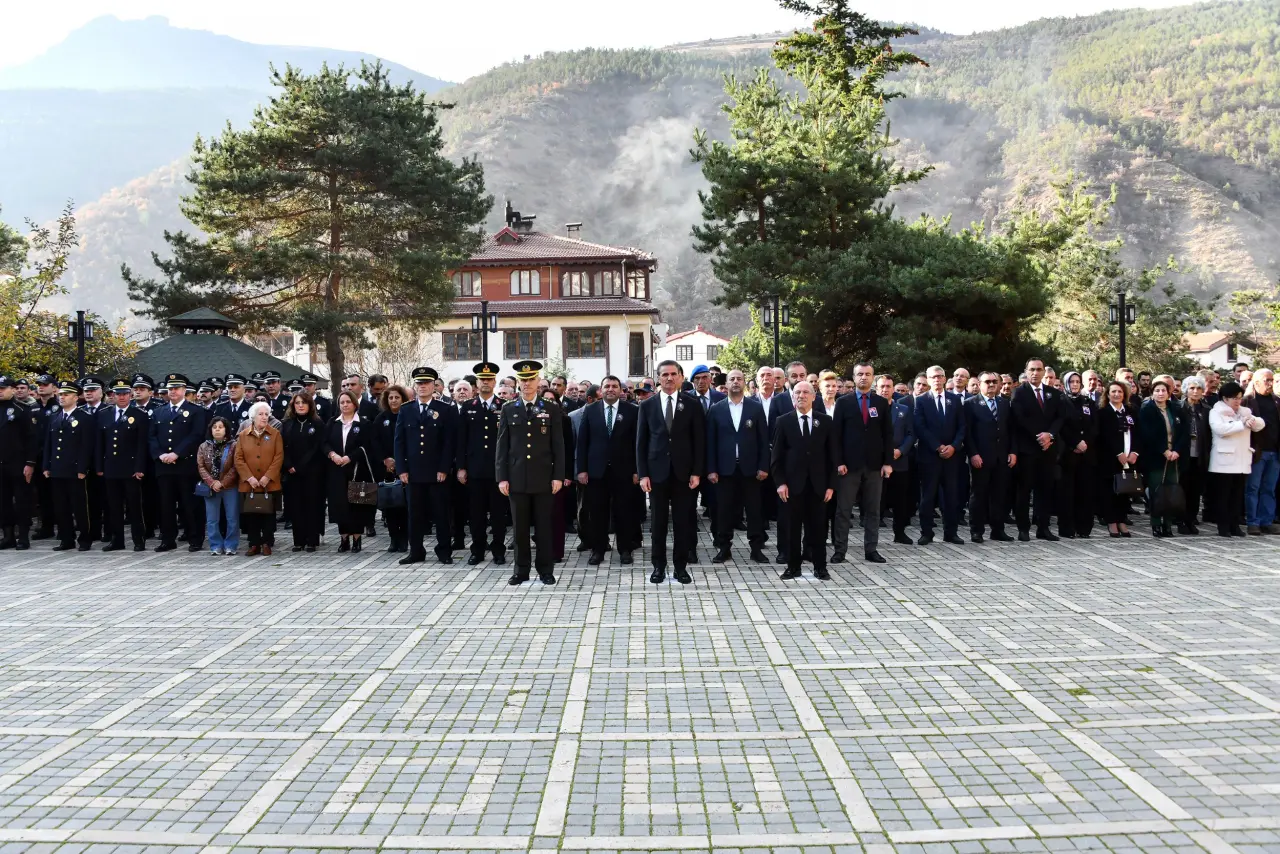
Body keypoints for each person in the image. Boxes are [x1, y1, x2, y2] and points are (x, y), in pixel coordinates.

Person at [637, 360, 706, 584]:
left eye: (673, 374)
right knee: (657, 524)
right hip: (656, 474)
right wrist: (643, 473)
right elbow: (641, 442)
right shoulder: (647, 405)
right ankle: (658, 566)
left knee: (683, 523)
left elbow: (699, 441)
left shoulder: (692, 404)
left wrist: (697, 472)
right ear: (658, 378)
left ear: (680, 377)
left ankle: (680, 567)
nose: (668, 378)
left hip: (683, 474)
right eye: (664, 374)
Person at [497, 360, 566, 585]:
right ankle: (521, 570)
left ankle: (546, 570)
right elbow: (502, 446)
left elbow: (558, 445)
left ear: (538, 381)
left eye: (531, 379)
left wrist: (558, 476)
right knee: (519, 529)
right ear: (518, 382)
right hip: (516, 479)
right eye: (523, 380)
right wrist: (502, 477)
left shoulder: (551, 407)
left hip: (544, 478)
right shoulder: (508, 408)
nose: (527, 384)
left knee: (544, 527)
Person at [771, 381, 838, 580]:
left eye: (806, 392)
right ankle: (793, 567)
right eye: (797, 392)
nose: (801, 395)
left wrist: (831, 485)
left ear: (813, 397)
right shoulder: (783, 421)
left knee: (818, 528)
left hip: (818, 486)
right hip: (792, 486)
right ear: (793, 398)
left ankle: (820, 567)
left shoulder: (825, 421)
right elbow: (776, 457)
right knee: (791, 529)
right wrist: (780, 482)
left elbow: (833, 456)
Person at [831, 362, 893, 564]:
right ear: (854, 377)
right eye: (860, 374)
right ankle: (840, 550)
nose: (863, 377)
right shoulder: (843, 402)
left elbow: (888, 435)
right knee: (843, 510)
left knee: (873, 510)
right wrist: (838, 461)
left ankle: (871, 550)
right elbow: (836, 436)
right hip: (849, 465)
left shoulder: (881, 403)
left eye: (867, 374)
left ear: (873, 377)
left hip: (875, 465)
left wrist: (888, 462)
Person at [705, 369, 769, 564]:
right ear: (727, 383)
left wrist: (763, 466)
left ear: (744, 383)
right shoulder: (716, 409)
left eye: (739, 379)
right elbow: (710, 442)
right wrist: (711, 468)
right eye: (732, 379)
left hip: (750, 470)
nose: (735, 382)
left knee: (754, 511)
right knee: (724, 511)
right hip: (725, 471)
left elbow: (763, 440)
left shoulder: (755, 408)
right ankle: (724, 548)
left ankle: (756, 548)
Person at [576, 374, 642, 565]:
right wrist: (582, 470)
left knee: (624, 513)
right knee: (597, 514)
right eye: (607, 386)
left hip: (624, 471)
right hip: (597, 472)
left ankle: (625, 550)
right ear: (601, 390)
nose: (611, 389)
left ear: (621, 390)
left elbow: (637, 443)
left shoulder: (632, 411)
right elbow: (582, 442)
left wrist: (638, 470)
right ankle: (598, 550)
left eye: (614, 386)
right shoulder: (590, 410)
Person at [394, 368, 456, 564]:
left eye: (426, 383)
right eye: (419, 383)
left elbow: (449, 442)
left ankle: (444, 551)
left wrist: (444, 468)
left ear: (433, 386)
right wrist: (401, 469)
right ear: (415, 386)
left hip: (437, 472)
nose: (422, 387)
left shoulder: (445, 409)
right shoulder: (406, 409)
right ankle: (416, 551)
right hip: (413, 472)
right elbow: (399, 441)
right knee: (415, 515)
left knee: (441, 514)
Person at [456, 363, 507, 564]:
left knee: (498, 515)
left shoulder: (504, 406)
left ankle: (498, 550)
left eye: (489, 379)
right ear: (476, 383)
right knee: (476, 514)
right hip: (475, 470)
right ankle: (477, 550)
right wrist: (461, 467)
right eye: (482, 379)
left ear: (494, 382)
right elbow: (461, 440)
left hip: (497, 470)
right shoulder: (468, 407)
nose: (485, 382)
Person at [150, 373, 208, 552]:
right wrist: (159, 454)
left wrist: (177, 453)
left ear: (184, 390)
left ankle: (195, 538)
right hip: (163, 466)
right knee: (166, 505)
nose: (173, 391)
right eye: (170, 389)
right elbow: (151, 437)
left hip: (185, 465)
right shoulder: (159, 411)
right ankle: (168, 539)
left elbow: (196, 435)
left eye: (176, 388)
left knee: (189, 505)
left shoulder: (196, 411)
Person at [1009, 358, 1065, 541]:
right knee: (1024, 490)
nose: (1035, 373)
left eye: (1039, 369)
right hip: (1027, 449)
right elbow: (1019, 418)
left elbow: (1059, 417)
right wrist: (1040, 436)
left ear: (1044, 372)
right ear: (1026, 371)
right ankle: (1023, 528)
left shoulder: (1053, 393)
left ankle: (1043, 527)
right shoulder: (1018, 392)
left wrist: (1050, 435)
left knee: (1045, 489)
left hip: (1048, 449)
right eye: (1032, 369)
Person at [94, 377, 150, 552]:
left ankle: (139, 540)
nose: (122, 397)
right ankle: (117, 540)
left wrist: (140, 468)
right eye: (118, 394)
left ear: (131, 394)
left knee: (134, 507)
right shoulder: (104, 414)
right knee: (113, 507)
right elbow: (99, 444)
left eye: (125, 393)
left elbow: (142, 444)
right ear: (112, 395)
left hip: (131, 468)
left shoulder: (139, 415)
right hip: (111, 468)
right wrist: (99, 467)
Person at [914, 365, 965, 546]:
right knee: (928, 496)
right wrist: (937, 446)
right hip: (929, 456)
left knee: (951, 496)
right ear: (928, 380)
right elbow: (920, 427)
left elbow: (962, 427)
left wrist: (953, 446)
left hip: (952, 457)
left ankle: (951, 532)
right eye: (933, 377)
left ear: (945, 379)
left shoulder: (955, 400)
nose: (937, 379)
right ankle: (926, 533)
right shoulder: (921, 401)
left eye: (940, 376)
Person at [963, 371, 1016, 543]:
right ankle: (976, 531)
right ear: (979, 384)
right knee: (979, 495)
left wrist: (1012, 451)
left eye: (995, 381)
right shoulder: (970, 404)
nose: (992, 384)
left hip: (1001, 457)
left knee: (999, 495)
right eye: (988, 381)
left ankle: (997, 530)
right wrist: (973, 454)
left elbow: (1010, 431)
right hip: (981, 458)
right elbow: (968, 433)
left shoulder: (1004, 403)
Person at [1209, 381, 1265, 537]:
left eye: (1239, 398)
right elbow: (1221, 430)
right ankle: (1223, 526)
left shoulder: (1244, 411)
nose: (1237, 401)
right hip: (1224, 461)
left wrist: (1251, 421)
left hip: (1241, 460)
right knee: (1223, 495)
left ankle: (1235, 525)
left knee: (1237, 495)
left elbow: (1260, 424)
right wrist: (1241, 423)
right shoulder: (1216, 411)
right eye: (1234, 398)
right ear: (1225, 398)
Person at [44, 380, 94, 550]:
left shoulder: (84, 418)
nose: (62, 397)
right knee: (61, 506)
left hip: (75, 469)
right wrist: (46, 466)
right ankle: (66, 539)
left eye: (66, 395)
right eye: (60, 395)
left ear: (75, 397)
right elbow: (49, 444)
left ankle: (85, 539)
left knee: (80, 506)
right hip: (57, 468)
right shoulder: (55, 417)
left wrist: (82, 468)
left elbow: (86, 446)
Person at [326, 390, 377, 553]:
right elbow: (324, 443)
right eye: (342, 402)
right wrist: (332, 454)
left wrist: (350, 457)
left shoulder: (364, 423)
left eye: (348, 402)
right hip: (337, 470)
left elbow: (367, 446)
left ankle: (357, 538)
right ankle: (344, 538)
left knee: (357, 505)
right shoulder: (333, 422)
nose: (345, 405)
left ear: (355, 404)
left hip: (357, 470)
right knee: (340, 505)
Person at [1136, 379, 1188, 537]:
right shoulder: (1147, 410)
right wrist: (1164, 450)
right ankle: (1156, 524)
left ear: (1169, 393)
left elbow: (1184, 432)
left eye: (1163, 391)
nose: (1160, 393)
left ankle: (1168, 524)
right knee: (1157, 491)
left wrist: (1176, 450)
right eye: (1157, 390)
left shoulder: (1176, 409)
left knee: (1171, 491)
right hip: (1156, 457)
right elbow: (1147, 435)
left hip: (1174, 457)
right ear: (1152, 393)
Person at [233, 402, 283, 556]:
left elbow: (279, 457)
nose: (264, 417)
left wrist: (268, 476)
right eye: (261, 414)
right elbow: (238, 459)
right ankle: (254, 543)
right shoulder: (243, 435)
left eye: (266, 414)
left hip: (269, 483)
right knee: (252, 514)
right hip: (250, 484)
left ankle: (267, 543)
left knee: (269, 514)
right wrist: (249, 478)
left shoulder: (275, 434)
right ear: (253, 417)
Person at [281, 391, 326, 553]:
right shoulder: (287, 424)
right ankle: (298, 540)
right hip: (291, 472)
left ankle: (311, 540)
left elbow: (317, 448)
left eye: (304, 403)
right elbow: (283, 447)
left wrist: (301, 466)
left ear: (309, 405)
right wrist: (289, 465)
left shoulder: (317, 423)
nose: (300, 405)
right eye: (297, 403)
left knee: (311, 506)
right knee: (295, 506)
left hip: (312, 472)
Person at [875, 374, 915, 545]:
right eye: (882, 386)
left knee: (901, 501)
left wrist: (900, 451)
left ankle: (900, 533)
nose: (885, 389)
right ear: (876, 389)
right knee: (876, 501)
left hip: (899, 462)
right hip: (876, 463)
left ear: (893, 389)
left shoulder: (903, 410)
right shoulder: (871, 409)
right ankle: (872, 537)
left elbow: (911, 434)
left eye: (888, 386)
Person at [371, 384, 410, 553]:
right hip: (387, 468)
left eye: (397, 397)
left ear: (403, 399)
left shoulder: (409, 416)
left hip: (407, 468)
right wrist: (385, 459)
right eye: (390, 398)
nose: (393, 400)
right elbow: (375, 442)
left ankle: (405, 540)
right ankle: (394, 539)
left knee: (405, 507)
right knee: (391, 507)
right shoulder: (381, 418)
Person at [1098, 380, 1140, 537]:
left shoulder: (1131, 411)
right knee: (1110, 492)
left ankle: (1122, 520)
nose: (1116, 394)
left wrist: (1135, 452)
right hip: (1110, 459)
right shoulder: (1103, 413)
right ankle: (1112, 522)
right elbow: (1104, 436)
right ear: (1107, 394)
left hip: (1130, 459)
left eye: (1120, 392)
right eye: (1113, 391)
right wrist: (1117, 453)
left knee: (1125, 491)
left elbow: (1138, 433)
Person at [0, 375, 36, 551]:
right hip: (1, 464)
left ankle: (23, 536)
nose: (0, 391)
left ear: (12, 389)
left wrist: (30, 463)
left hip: (18, 463)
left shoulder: (21, 409)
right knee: (3, 501)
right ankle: (7, 536)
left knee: (22, 500)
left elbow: (31, 438)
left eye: (3, 388)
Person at [1059, 371, 1098, 538]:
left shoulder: (1087, 402)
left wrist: (1085, 443)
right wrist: (1075, 442)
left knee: (1085, 491)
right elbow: (1061, 425)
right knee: (1068, 493)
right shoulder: (1060, 401)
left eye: (1077, 381)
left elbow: (1095, 426)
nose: (1075, 384)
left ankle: (1084, 528)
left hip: (1086, 453)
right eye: (1071, 381)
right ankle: (1068, 528)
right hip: (1068, 454)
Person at [1242, 368, 1279, 535]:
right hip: (1257, 451)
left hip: (1275, 452)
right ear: (1256, 382)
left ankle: (1267, 521)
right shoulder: (1247, 401)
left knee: (1269, 488)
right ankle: (1253, 521)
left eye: (1272, 380)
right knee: (1253, 487)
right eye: (1267, 380)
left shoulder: (1277, 401)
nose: (1270, 384)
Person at [197, 416, 241, 556]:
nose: (217, 430)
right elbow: (201, 466)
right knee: (212, 519)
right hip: (210, 487)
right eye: (214, 427)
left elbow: (235, 467)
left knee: (232, 517)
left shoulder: (234, 445)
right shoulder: (204, 445)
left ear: (226, 429)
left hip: (230, 486)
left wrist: (222, 483)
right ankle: (215, 545)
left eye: (220, 427)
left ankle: (231, 545)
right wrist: (212, 482)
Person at [1180, 376, 1211, 534]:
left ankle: (1191, 519)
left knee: (1195, 491)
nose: (1195, 391)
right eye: (1192, 388)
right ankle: (1181, 521)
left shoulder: (1206, 409)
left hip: (1199, 456)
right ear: (1186, 390)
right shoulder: (1179, 407)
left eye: (1198, 388)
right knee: (1183, 489)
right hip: (1182, 456)